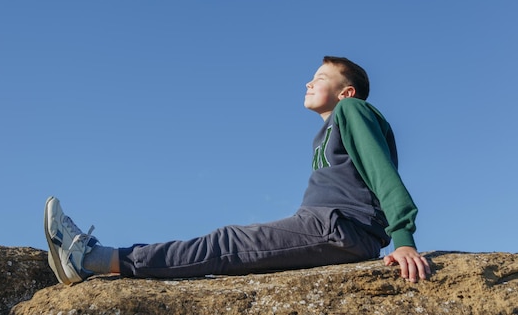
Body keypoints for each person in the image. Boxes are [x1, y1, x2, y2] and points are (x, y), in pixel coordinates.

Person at [44, 56, 431, 285]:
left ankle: (92, 260)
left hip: (339, 227)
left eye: (321, 78)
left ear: (346, 92)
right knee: (228, 250)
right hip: (327, 226)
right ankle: (103, 261)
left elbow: (383, 174)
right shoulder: (327, 130)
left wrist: (404, 240)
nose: (309, 82)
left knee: (225, 244)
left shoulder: (352, 111)